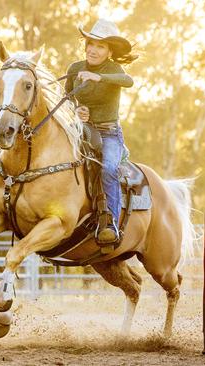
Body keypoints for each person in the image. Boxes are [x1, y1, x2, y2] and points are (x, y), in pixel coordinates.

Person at [65, 18, 138, 245]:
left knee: (108, 169)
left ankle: (111, 224)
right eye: (91, 44)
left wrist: (99, 77)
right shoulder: (75, 68)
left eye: (100, 46)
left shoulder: (114, 70)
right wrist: (77, 109)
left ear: (109, 51)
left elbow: (128, 81)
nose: (93, 50)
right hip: (80, 130)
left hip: (109, 133)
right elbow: (67, 97)